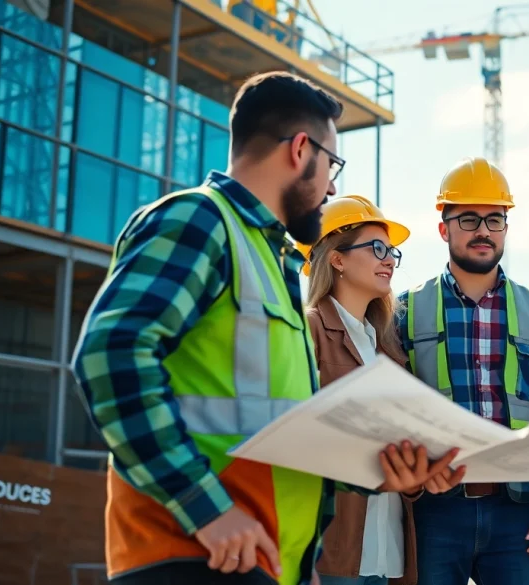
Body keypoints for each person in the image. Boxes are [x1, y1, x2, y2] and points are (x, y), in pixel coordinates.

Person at [71, 71, 458, 585]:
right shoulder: (199, 220)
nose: (332, 186)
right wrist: (205, 508)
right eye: (332, 164)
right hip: (193, 554)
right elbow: (109, 356)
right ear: (301, 150)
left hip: (262, 561)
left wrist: (381, 473)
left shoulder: (272, 264)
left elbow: (281, 430)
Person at [396, 156, 529, 585]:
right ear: (443, 229)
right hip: (433, 510)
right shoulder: (404, 311)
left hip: (517, 512)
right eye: (468, 219)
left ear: (505, 228)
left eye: (494, 219)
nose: (483, 230)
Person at [298, 195, 466, 585]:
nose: (389, 259)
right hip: (333, 549)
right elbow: (297, 440)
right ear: (337, 259)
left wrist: (420, 474)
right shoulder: (309, 330)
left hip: (390, 551)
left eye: (392, 252)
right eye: (377, 248)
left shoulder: (389, 348)